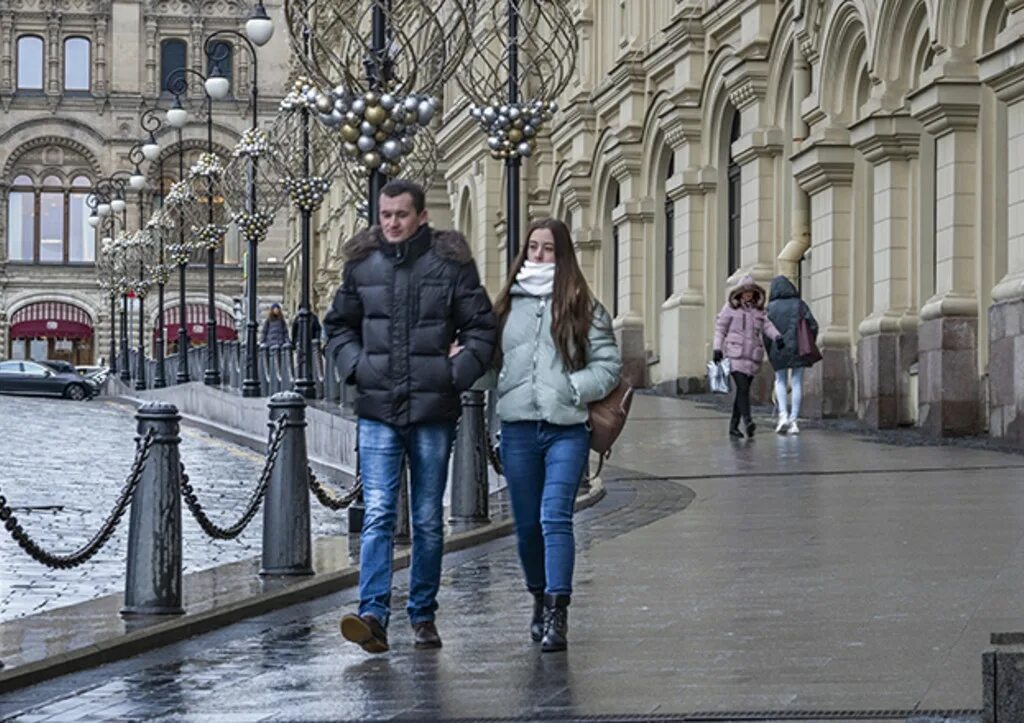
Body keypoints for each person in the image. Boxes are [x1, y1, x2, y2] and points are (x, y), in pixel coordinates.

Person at [323, 179, 496, 654]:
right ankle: (372, 613)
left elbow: (482, 327)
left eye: (401, 215)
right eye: (385, 215)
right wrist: (356, 366)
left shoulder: (451, 265)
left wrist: (453, 373)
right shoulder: (363, 265)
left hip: (432, 410)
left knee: (425, 518)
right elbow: (337, 326)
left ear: (421, 216)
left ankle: (422, 613)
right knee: (378, 512)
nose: (392, 223)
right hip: (378, 408)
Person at [491, 218, 621, 653]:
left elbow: (608, 366)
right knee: (527, 526)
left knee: (554, 518)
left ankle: (557, 611)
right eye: (533, 248)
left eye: (548, 248)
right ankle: (537, 596)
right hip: (518, 431)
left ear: (562, 253)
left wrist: (572, 388)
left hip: (567, 430)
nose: (540, 255)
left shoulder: (584, 305)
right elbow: (489, 362)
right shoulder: (506, 305)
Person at [713, 275, 783, 439]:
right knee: (743, 389)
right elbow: (720, 329)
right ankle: (748, 421)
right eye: (745, 292)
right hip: (735, 355)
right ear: (739, 293)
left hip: (752, 357)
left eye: (751, 292)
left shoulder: (758, 310)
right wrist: (717, 348)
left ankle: (733, 426)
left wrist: (777, 337)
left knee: (741, 393)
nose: (748, 295)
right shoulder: (730, 308)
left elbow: (767, 326)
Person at [765, 275, 819, 434]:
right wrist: (809, 342)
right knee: (796, 382)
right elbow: (813, 325)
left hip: (778, 347)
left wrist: (769, 350)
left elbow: (764, 331)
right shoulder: (800, 305)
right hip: (798, 348)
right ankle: (794, 421)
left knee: (780, 380)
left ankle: (782, 416)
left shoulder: (771, 307)